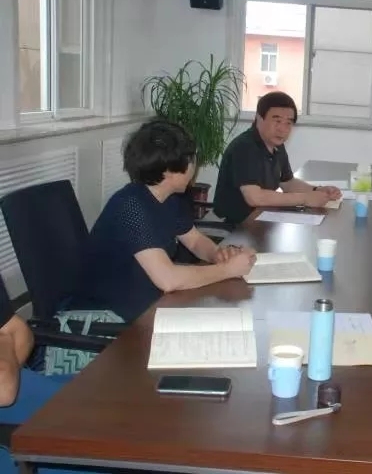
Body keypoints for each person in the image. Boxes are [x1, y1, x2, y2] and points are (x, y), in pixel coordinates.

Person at [69, 120, 257, 322]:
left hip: (145, 304)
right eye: (191, 159)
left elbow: (194, 241)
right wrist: (227, 270)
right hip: (105, 317)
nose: (194, 167)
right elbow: (168, 279)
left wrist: (217, 255)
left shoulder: (170, 198)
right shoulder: (131, 206)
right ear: (168, 170)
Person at [0, 283, 90, 474]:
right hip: (12, 429)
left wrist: (7, 367)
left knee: (123, 402)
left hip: (21, 383)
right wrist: (4, 339)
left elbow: (19, 331)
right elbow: (3, 391)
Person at [214, 91, 342, 224]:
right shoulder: (244, 147)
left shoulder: (276, 145)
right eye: (277, 121)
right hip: (238, 225)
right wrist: (305, 198)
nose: (282, 129)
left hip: (264, 218)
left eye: (288, 123)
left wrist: (317, 190)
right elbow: (255, 197)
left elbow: (288, 183)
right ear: (259, 118)